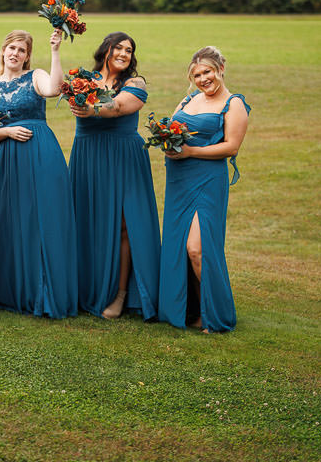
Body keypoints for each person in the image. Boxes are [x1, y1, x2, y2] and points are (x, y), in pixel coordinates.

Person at [0, 29, 77, 318]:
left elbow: (54, 90)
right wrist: (6, 131)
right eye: (11, 48)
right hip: (10, 157)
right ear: (3, 51)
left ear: (27, 56)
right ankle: (15, 292)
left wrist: (56, 52)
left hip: (41, 151)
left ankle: (48, 291)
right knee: (15, 217)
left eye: (21, 50)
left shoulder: (35, 76)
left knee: (45, 216)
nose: (15, 54)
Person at [68, 32, 161, 320]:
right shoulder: (84, 80)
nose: (123, 53)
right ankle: (87, 289)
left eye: (129, 50)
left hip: (123, 156)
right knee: (86, 220)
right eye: (118, 47)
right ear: (105, 49)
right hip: (87, 154)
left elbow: (119, 106)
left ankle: (121, 295)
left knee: (124, 224)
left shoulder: (135, 83)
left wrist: (92, 108)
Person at [158, 46, 250, 333]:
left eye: (207, 72)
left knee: (198, 248)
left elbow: (231, 147)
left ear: (220, 69)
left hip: (208, 180)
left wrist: (189, 153)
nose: (202, 79)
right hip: (179, 180)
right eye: (197, 74)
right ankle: (194, 312)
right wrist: (167, 144)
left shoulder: (233, 104)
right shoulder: (188, 100)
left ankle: (217, 315)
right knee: (180, 248)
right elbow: (169, 129)